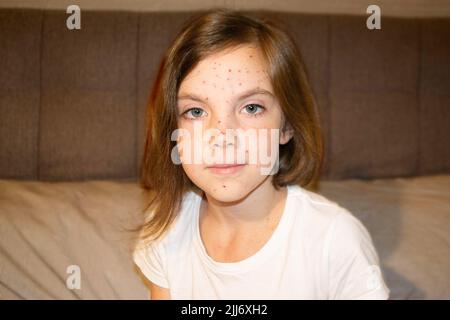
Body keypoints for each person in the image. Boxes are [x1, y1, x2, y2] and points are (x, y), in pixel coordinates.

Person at [132, 8, 390, 300]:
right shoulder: (166, 227)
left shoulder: (334, 240)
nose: (223, 137)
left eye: (251, 108)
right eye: (195, 111)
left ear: (287, 125)